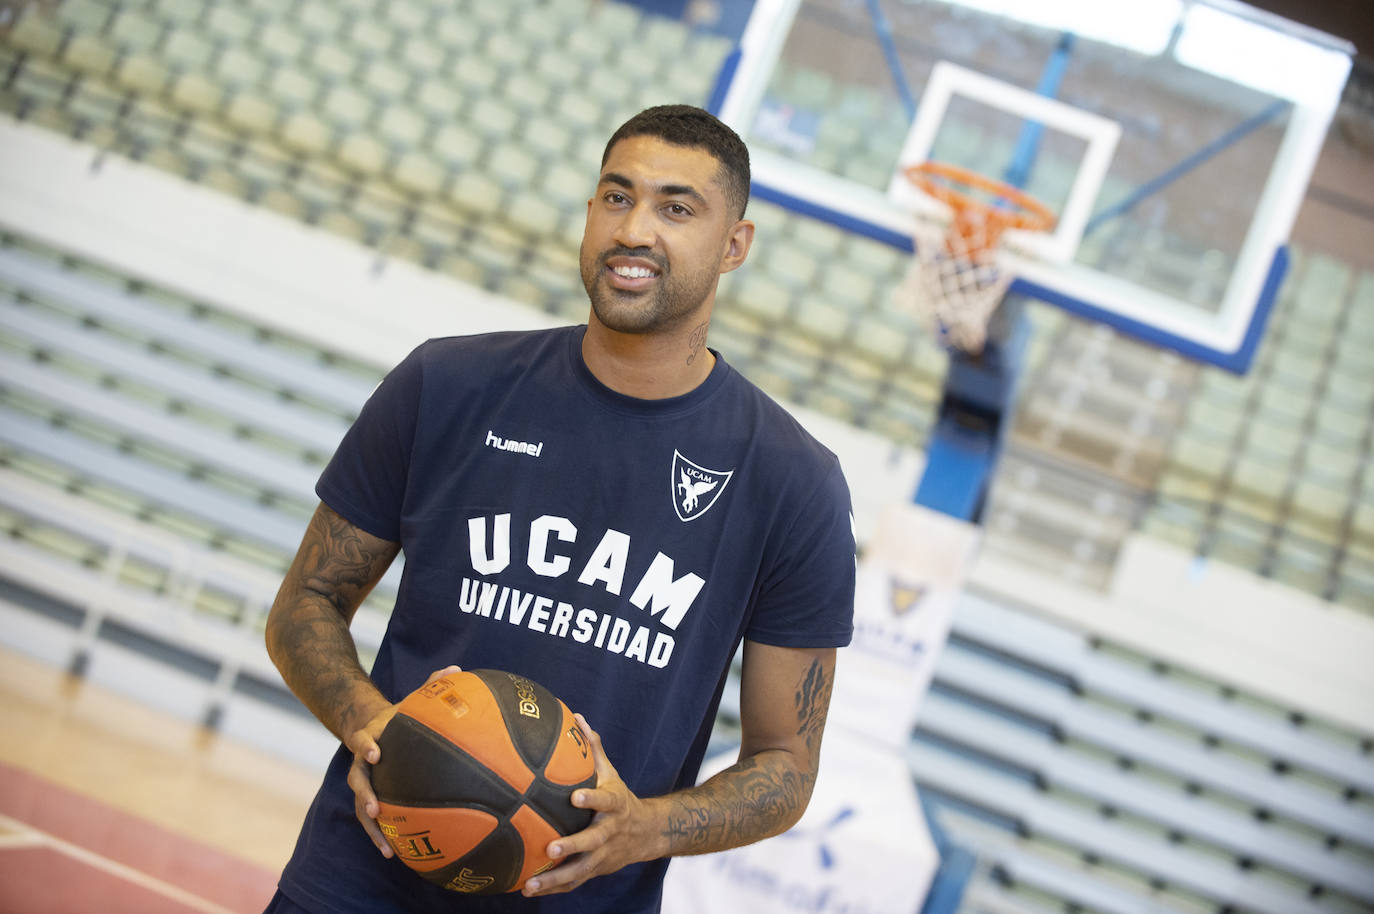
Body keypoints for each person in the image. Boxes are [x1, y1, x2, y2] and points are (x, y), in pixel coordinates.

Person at [263, 104, 856, 913]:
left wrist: (644, 829)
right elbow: (306, 602)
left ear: (734, 246)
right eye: (617, 198)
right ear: (589, 213)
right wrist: (378, 731)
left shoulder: (792, 483)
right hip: (358, 881)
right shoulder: (447, 386)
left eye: (676, 208)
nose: (635, 229)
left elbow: (785, 764)